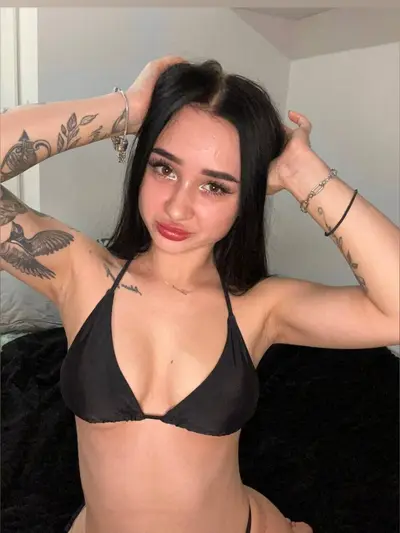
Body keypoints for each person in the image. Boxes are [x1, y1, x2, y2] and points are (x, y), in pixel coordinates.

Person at [0, 56, 398, 533]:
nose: (177, 206)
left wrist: (303, 174)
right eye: (164, 169)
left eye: (215, 186)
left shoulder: (260, 309)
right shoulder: (80, 272)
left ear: (245, 200)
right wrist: (127, 109)